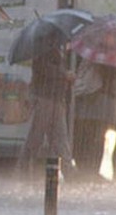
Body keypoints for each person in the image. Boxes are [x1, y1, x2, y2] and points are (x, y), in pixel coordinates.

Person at [18, 33, 76, 176]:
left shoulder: (56, 51)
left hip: (56, 99)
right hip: (45, 98)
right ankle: (24, 168)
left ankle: (68, 170)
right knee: (36, 136)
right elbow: (44, 69)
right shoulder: (43, 50)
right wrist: (64, 74)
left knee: (60, 137)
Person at [73, 61, 116, 183]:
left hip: (86, 105)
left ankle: (85, 169)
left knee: (86, 138)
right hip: (100, 106)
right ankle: (91, 171)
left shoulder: (85, 60)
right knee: (97, 139)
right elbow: (112, 81)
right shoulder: (107, 63)